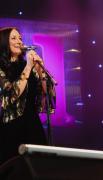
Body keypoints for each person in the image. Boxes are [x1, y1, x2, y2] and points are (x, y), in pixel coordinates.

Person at [0, 27, 56, 165]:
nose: (19, 41)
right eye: (13, 38)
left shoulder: (28, 65)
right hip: (11, 127)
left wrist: (40, 70)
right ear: (3, 43)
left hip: (32, 125)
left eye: (20, 38)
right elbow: (12, 95)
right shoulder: (2, 68)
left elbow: (48, 94)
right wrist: (29, 67)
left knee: (38, 167)